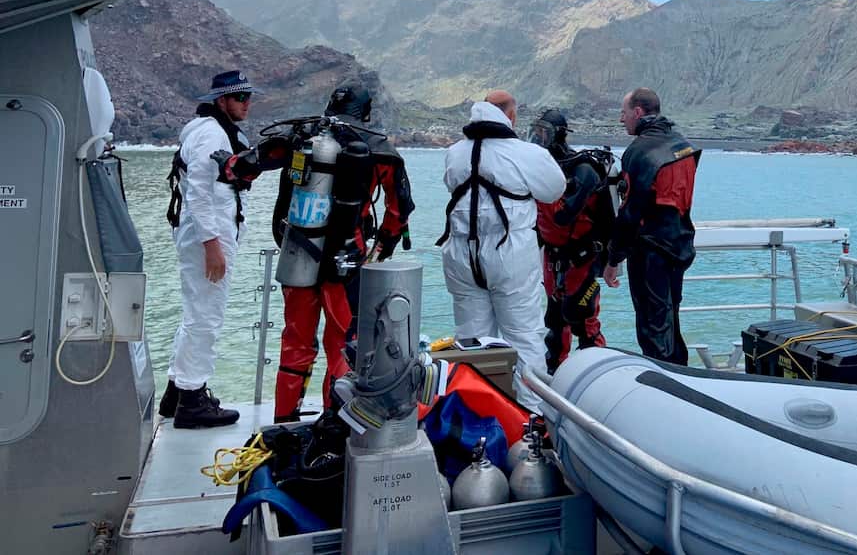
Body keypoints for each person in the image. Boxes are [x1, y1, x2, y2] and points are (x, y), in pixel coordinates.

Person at [269, 83, 414, 422]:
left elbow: (246, 166)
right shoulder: (379, 150)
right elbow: (399, 210)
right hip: (346, 261)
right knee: (343, 344)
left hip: (298, 257)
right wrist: (381, 250)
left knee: (295, 343)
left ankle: (283, 421)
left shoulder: (302, 139)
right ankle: (332, 423)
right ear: (366, 112)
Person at [438, 90, 565, 409]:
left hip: (462, 257)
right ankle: (531, 422)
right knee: (525, 339)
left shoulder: (454, 153)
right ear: (511, 116)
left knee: (471, 342)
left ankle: (476, 418)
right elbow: (553, 190)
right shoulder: (526, 154)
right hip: (510, 257)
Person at [159, 70, 254, 428]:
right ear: (222, 100)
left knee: (195, 311)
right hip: (207, 235)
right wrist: (212, 245)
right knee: (207, 316)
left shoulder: (205, 128)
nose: (247, 103)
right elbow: (198, 192)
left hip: (204, 232)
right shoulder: (213, 133)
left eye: (248, 96)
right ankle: (193, 401)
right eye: (240, 97)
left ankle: (177, 390)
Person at [603, 88, 701, 365]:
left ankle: (665, 386)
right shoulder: (682, 144)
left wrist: (613, 259)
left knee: (652, 326)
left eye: (623, 113)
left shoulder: (640, 151)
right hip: (679, 245)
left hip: (650, 251)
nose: (621, 120)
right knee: (671, 318)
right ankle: (683, 377)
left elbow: (631, 211)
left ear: (638, 112)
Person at [528, 108, 619, 373]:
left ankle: (597, 378)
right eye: (534, 132)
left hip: (580, 257)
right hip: (552, 256)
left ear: (558, 136)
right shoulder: (543, 169)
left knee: (583, 319)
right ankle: (556, 378)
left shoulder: (583, 170)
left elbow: (563, 216)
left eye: (543, 133)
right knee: (555, 321)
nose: (537, 139)